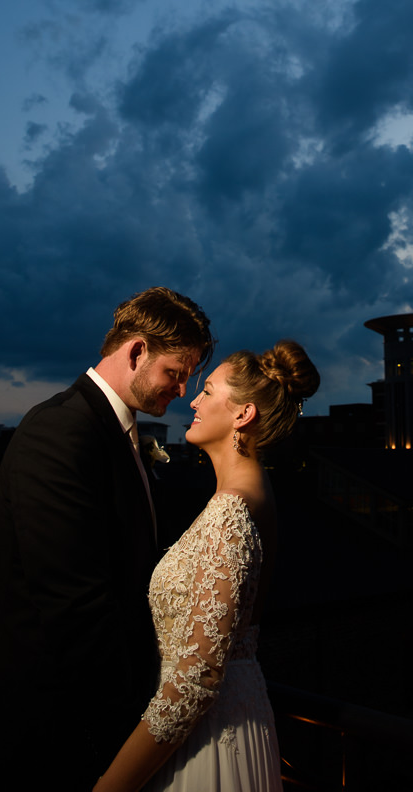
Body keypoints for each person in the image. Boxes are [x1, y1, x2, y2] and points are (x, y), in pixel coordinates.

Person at [0, 287, 215, 792]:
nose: (182, 391)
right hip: (43, 727)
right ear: (137, 351)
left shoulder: (116, 434)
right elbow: (74, 607)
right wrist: (134, 732)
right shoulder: (60, 431)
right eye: (175, 374)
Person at [93, 339, 320, 792]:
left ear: (243, 414)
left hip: (205, 739)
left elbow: (194, 683)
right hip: (235, 715)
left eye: (209, 390)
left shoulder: (231, 514)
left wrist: (110, 785)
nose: (192, 399)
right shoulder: (253, 496)